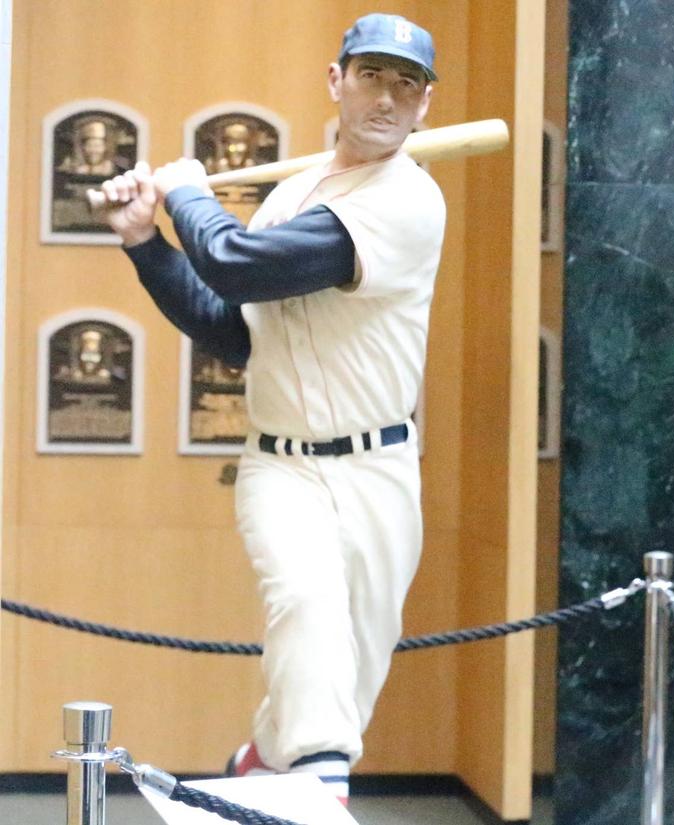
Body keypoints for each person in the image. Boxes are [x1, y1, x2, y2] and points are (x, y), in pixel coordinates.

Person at [97, 12, 444, 806]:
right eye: (372, 76)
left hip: (380, 464)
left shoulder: (411, 201)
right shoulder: (293, 192)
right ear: (337, 80)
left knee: (353, 665)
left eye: (407, 84)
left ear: (425, 105)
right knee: (307, 604)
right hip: (281, 462)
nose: (387, 99)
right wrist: (146, 243)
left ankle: (264, 758)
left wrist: (185, 194)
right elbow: (236, 328)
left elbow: (236, 264)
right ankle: (320, 792)